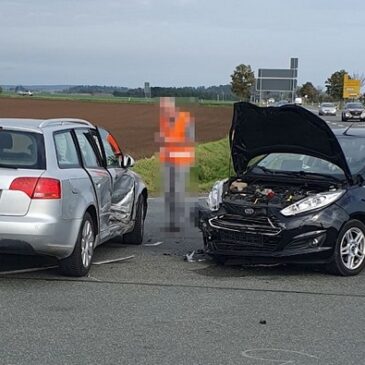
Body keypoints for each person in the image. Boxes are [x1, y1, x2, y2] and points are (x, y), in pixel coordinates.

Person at [159, 97, 195, 232]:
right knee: (169, 193)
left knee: (178, 193)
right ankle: (171, 222)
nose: (164, 111)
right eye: (163, 109)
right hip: (169, 161)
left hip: (181, 161)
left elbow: (189, 139)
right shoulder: (165, 121)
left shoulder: (184, 119)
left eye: (166, 108)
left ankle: (177, 222)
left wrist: (171, 140)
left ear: (172, 108)